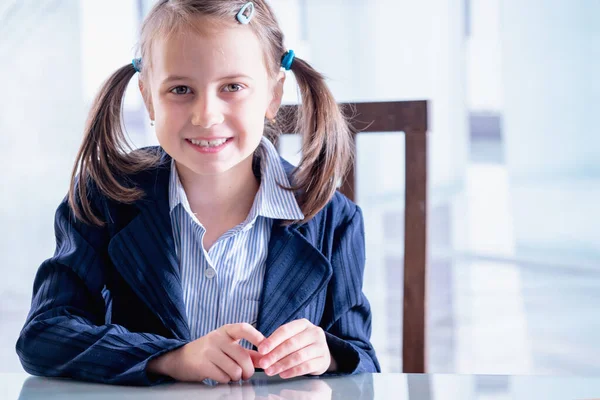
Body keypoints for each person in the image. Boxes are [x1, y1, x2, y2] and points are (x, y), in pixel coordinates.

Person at [16, 0, 380, 386]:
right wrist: (171, 358)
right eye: (181, 89)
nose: (206, 115)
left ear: (273, 96)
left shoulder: (333, 218)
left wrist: (328, 353)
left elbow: (363, 360)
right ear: (148, 98)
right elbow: (44, 335)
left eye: (233, 87)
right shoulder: (104, 198)